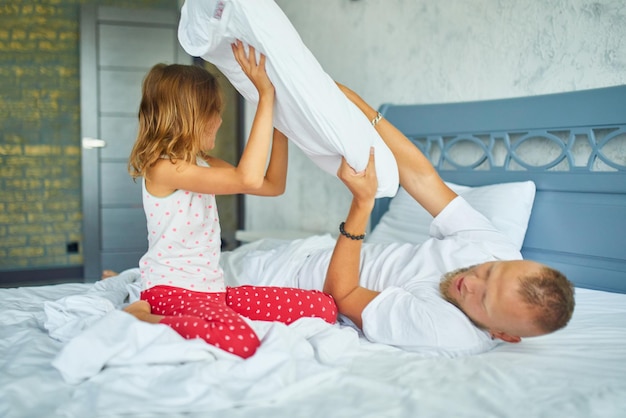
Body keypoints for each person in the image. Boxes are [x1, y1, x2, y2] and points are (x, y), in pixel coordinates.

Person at [230, 84, 575, 356]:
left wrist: (362, 204)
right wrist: (363, 109)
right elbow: (424, 180)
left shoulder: (447, 331)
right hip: (304, 252)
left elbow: (344, 293)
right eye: (489, 271)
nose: (471, 281)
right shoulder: (497, 249)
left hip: (282, 283)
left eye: (482, 299)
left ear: (503, 335)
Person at [121, 40, 337, 359]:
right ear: (193, 117)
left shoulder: (206, 165)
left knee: (324, 308)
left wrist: (280, 125)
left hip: (212, 292)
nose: (220, 122)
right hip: (170, 291)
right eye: (215, 113)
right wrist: (266, 97)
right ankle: (144, 317)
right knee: (241, 342)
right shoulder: (163, 168)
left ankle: (191, 316)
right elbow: (247, 177)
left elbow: (272, 185)